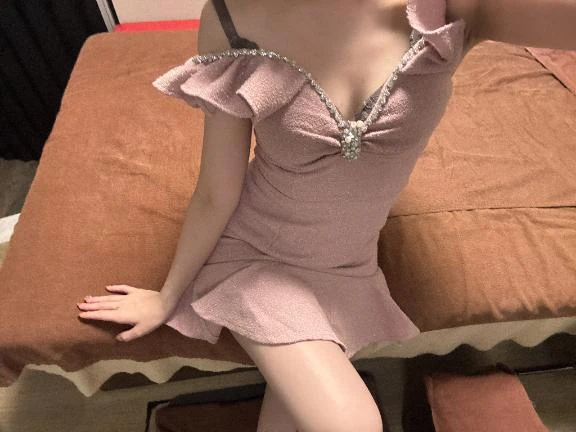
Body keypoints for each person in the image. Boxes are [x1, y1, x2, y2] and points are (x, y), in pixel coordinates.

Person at [77, 0, 575, 431]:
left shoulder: (449, 9)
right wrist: (167, 297)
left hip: (349, 263)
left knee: (298, 407)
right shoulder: (233, 17)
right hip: (256, 256)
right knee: (351, 424)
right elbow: (216, 189)